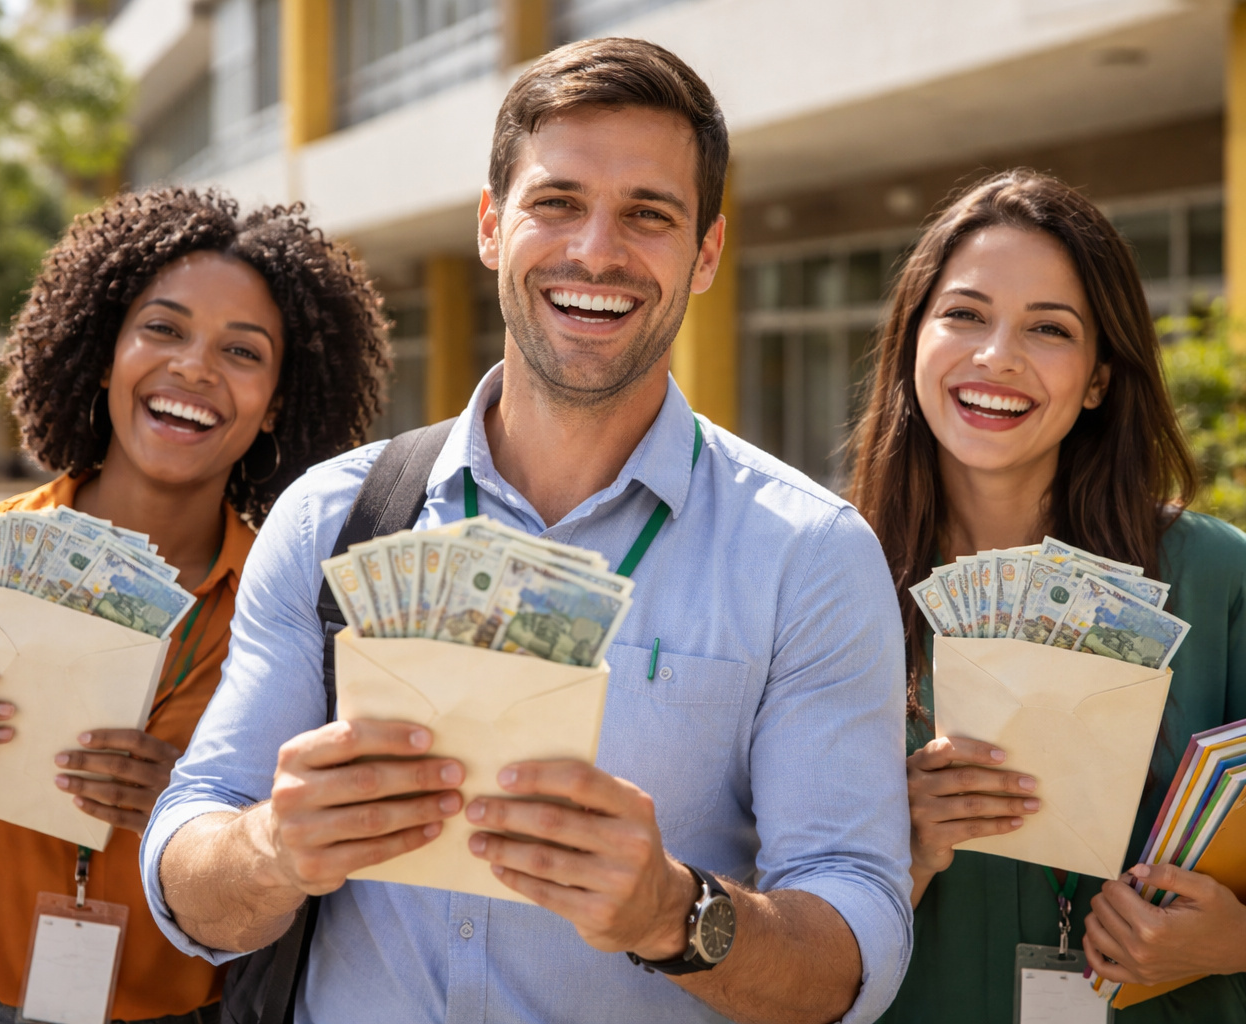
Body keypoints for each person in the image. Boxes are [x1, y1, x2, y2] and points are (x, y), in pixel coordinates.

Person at [140, 37, 912, 1024]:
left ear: (707, 254)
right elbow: (186, 867)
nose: (596, 250)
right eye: (558, 202)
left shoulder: (809, 557)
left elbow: (857, 951)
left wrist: (677, 913)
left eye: (649, 214)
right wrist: (271, 847)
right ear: (492, 225)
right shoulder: (331, 518)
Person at [0, 188, 389, 1024]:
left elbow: (331, 874)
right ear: (104, 350)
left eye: (243, 351)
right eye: (163, 328)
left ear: (281, 402)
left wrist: (197, 826)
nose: (193, 367)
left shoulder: (304, 608)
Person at [847, 168, 1246, 1022]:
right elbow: (756, 877)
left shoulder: (1210, 576)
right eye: (964, 314)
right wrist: (905, 851)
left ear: (1101, 377)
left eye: (1049, 328)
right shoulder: (831, 578)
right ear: (912, 339)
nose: (997, 355)